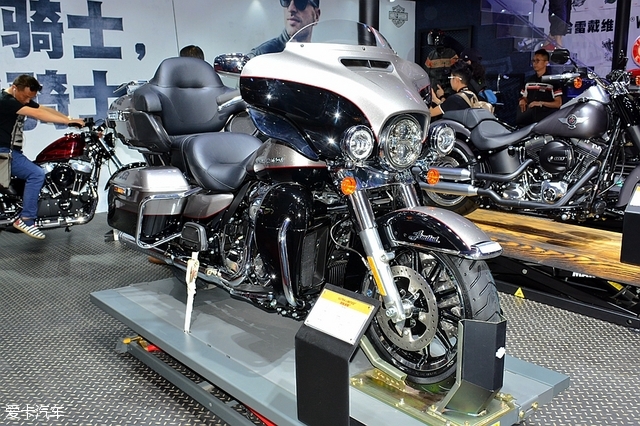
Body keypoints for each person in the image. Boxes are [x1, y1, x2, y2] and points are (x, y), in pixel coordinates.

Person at [0, 75, 84, 239]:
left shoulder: (17, 99)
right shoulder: (6, 101)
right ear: (15, 88)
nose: (27, 101)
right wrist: (68, 123)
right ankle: (26, 220)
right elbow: (37, 114)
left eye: (30, 98)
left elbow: (42, 109)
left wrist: (69, 118)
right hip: (3, 151)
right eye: (25, 97)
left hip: (10, 150)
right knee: (36, 174)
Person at [248, 0, 321, 58]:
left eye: (300, 2)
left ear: (316, 16)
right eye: (286, 1)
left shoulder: (319, 58)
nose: (291, 8)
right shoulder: (260, 57)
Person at [516, 48, 563, 126]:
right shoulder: (529, 81)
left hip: (546, 121)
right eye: (533, 61)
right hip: (529, 120)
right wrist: (522, 100)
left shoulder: (553, 81)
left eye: (537, 61)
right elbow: (523, 97)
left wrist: (540, 103)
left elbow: (558, 103)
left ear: (546, 63)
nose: (534, 63)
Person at [425, 29, 459, 99]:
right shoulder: (431, 55)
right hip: (434, 90)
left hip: (448, 90)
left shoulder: (451, 54)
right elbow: (426, 72)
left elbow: (457, 71)